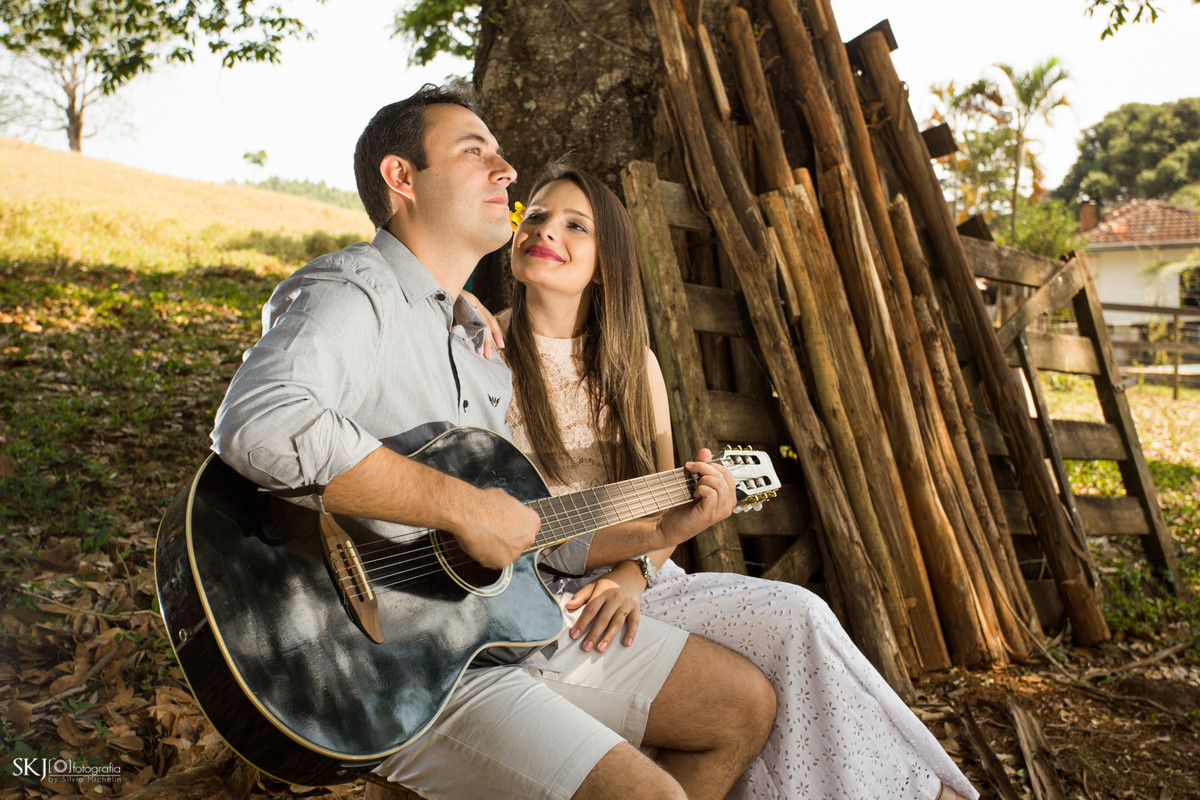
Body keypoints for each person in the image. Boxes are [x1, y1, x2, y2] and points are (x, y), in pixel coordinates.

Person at [209, 83, 776, 800]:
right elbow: (260, 420)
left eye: (501, 156)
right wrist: (459, 507)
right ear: (402, 177)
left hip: (492, 626)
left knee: (741, 706)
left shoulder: (479, 343)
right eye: (476, 152)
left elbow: (523, 524)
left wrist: (667, 527)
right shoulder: (356, 290)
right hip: (385, 660)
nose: (507, 172)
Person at [493, 158, 980, 800]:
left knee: (801, 617)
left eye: (575, 225)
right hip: (540, 595)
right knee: (757, 688)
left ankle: (921, 791)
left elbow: (663, 512)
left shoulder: (634, 368)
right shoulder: (483, 349)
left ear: (607, 261)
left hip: (640, 579)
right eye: (538, 213)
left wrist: (632, 575)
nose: (547, 229)